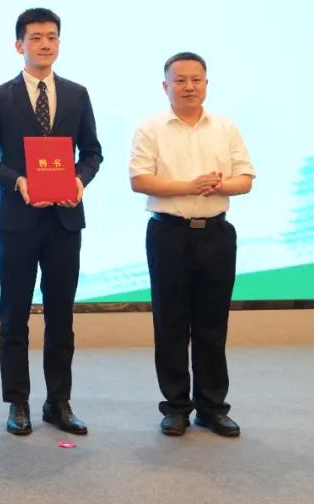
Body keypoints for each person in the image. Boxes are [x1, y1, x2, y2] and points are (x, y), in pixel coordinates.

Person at [0, 7, 103, 437]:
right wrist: (18, 182)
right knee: (14, 314)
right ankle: (18, 402)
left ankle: (59, 401)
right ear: (19, 45)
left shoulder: (77, 94)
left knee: (61, 315)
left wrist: (80, 180)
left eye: (51, 37)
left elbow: (92, 152)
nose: (44, 44)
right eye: (36, 38)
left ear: (59, 44)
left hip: (64, 219)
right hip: (17, 220)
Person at [129, 52, 254, 438]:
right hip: (168, 234)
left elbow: (245, 178)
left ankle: (212, 407)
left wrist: (217, 185)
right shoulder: (151, 128)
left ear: (206, 84)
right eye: (179, 80)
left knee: (212, 325)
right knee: (170, 323)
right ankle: (176, 407)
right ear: (165, 86)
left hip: (216, 234)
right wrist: (190, 186)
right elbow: (139, 180)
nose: (188, 87)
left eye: (196, 80)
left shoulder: (226, 127)